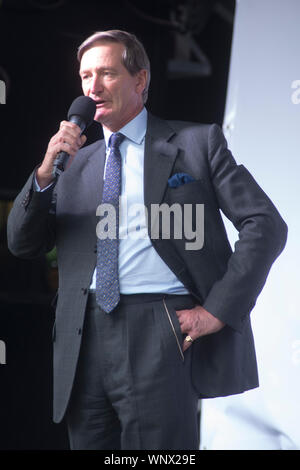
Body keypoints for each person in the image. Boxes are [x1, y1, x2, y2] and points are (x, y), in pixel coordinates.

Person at [7, 29, 287, 450]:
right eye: (85, 76)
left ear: (140, 80)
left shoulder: (196, 145)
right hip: (83, 333)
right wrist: (45, 175)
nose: (92, 87)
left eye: (106, 73)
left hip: (160, 326)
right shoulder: (74, 165)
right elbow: (21, 243)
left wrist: (218, 310)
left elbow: (265, 224)